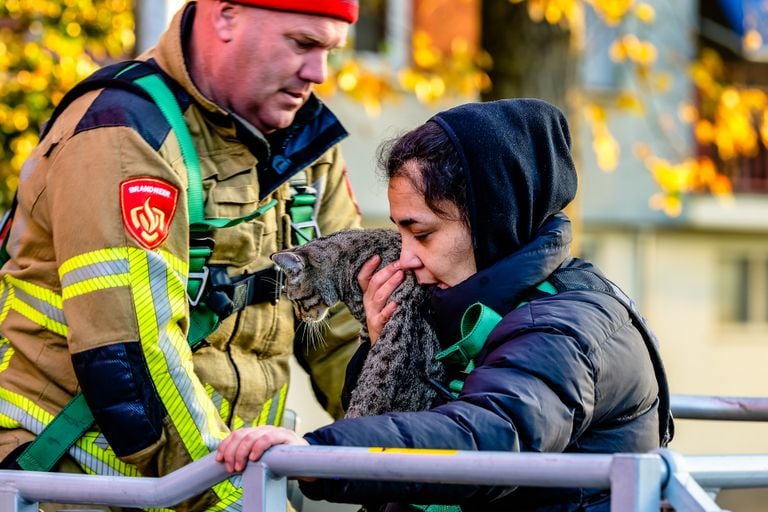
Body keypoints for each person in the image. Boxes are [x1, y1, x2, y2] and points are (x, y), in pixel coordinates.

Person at [216, 98, 674, 511]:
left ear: (493, 217)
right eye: (399, 233)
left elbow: (485, 438)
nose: (406, 256)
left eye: (424, 233)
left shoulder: (569, 327)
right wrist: (380, 347)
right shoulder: (463, 307)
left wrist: (319, 454)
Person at [0, 0, 362, 510]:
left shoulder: (308, 145)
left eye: (330, 50)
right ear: (227, 16)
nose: (318, 72)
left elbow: (349, 331)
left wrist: (411, 460)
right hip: (69, 479)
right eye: (302, 44)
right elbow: (133, 357)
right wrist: (237, 497)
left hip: (222, 478)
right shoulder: (121, 133)